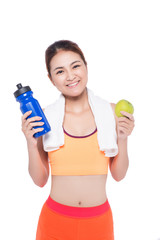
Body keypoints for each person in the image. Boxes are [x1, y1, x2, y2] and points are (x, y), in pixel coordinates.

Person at [21, 40, 135, 240]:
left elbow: (119, 175)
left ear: (86, 66)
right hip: (54, 222)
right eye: (60, 71)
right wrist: (31, 143)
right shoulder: (44, 118)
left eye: (75, 66)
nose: (71, 75)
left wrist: (123, 139)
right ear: (51, 79)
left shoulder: (110, 112)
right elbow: (39, 181)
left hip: (99, 223)